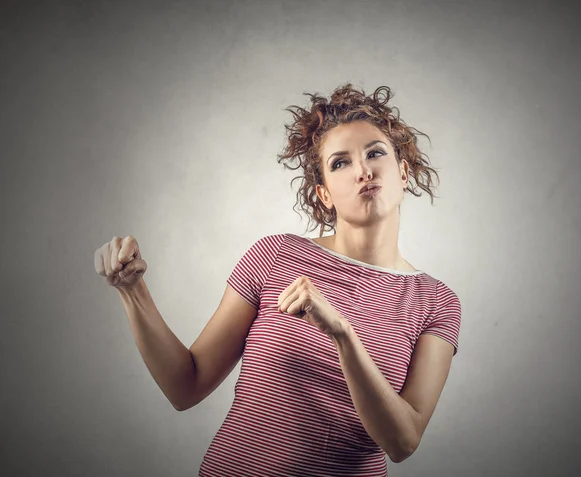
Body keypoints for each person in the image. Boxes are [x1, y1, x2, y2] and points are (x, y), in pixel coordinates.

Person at [94, 83, 461, 477]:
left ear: (403, 172)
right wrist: (132, 291)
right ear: (324, 194)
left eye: (375, 153)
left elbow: (403, 442)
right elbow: (186, 387)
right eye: (340, 163)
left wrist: (342, 334)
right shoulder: (277, 256)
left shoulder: (436, 302)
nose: (363, 171)